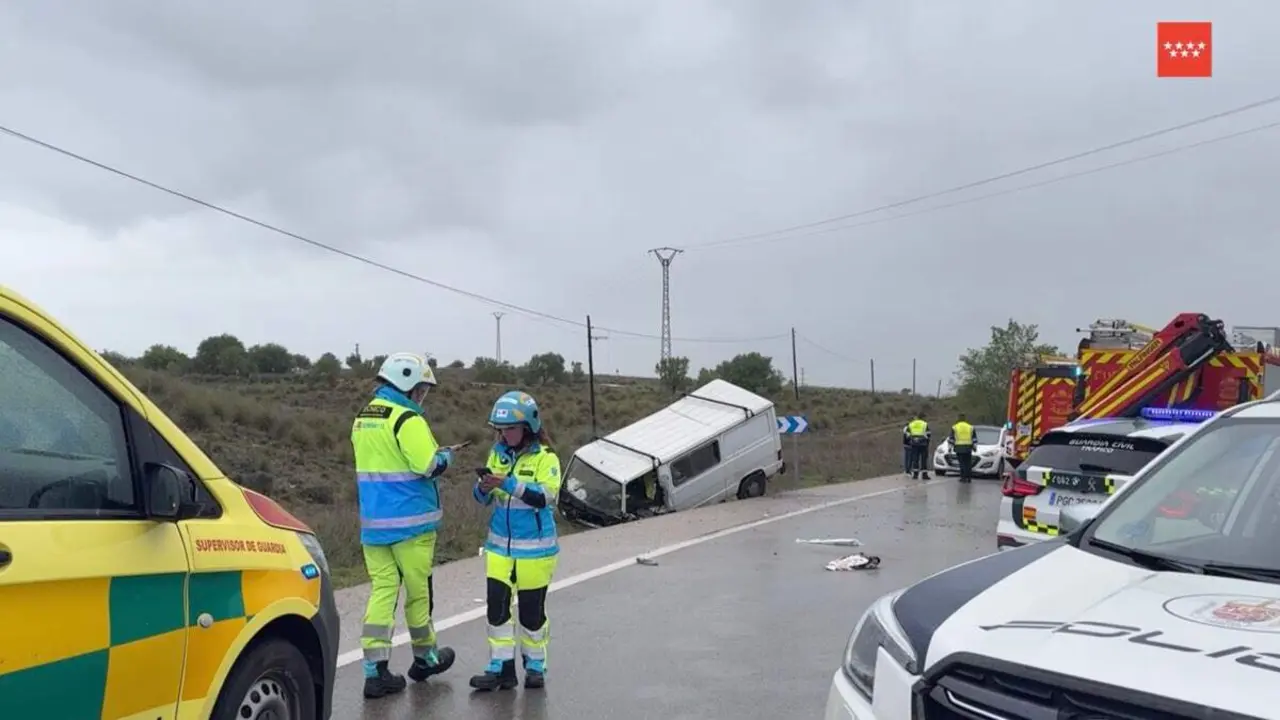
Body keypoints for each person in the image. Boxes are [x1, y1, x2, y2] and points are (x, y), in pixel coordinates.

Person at [353, 353, 458, 699]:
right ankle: (425, 657)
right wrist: (446, 457)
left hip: (374, 525)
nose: (422, 396)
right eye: (421, 389)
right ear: (407, 384)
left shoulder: (363, 418)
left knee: (383, 591)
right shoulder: (407, 419)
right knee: (417, 593)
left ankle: (375, 671)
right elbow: (426, 464)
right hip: (411, 525)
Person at [470, 391, 563, 692]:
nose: (504, 434)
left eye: (510, 428)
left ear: (528, 427)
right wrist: (483, 488)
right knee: (496, 609)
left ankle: (535, 665)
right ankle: (501, 668)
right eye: (500, 429)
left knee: (531, 613)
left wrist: (507, 482)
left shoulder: (546, 458)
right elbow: (482, 499)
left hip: (535, 550)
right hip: (499, 547)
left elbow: (543, 497)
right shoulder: (497, 454)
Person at [949, 413, 977, 484]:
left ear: (958, 419)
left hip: (959, 447)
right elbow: (974, 438)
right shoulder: (970, 427)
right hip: (968, 447)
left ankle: (963, 477)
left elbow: (952, 439)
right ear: (965, 419)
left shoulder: (955, 427)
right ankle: (969, 477)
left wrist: (950, 447)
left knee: (962, 463)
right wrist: (974, 447)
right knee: (968, 462)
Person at [906, 412, 931, 480]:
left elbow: (907, 434)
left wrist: (912, 440)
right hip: (923, 444)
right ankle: (924, 475)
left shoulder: (911, 424)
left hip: (914, 444)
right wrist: (926, 441)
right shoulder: (924, 424)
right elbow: (928, 434)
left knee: (915, 459)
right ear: (923, 417)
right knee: (923, 459)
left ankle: (915, 475)